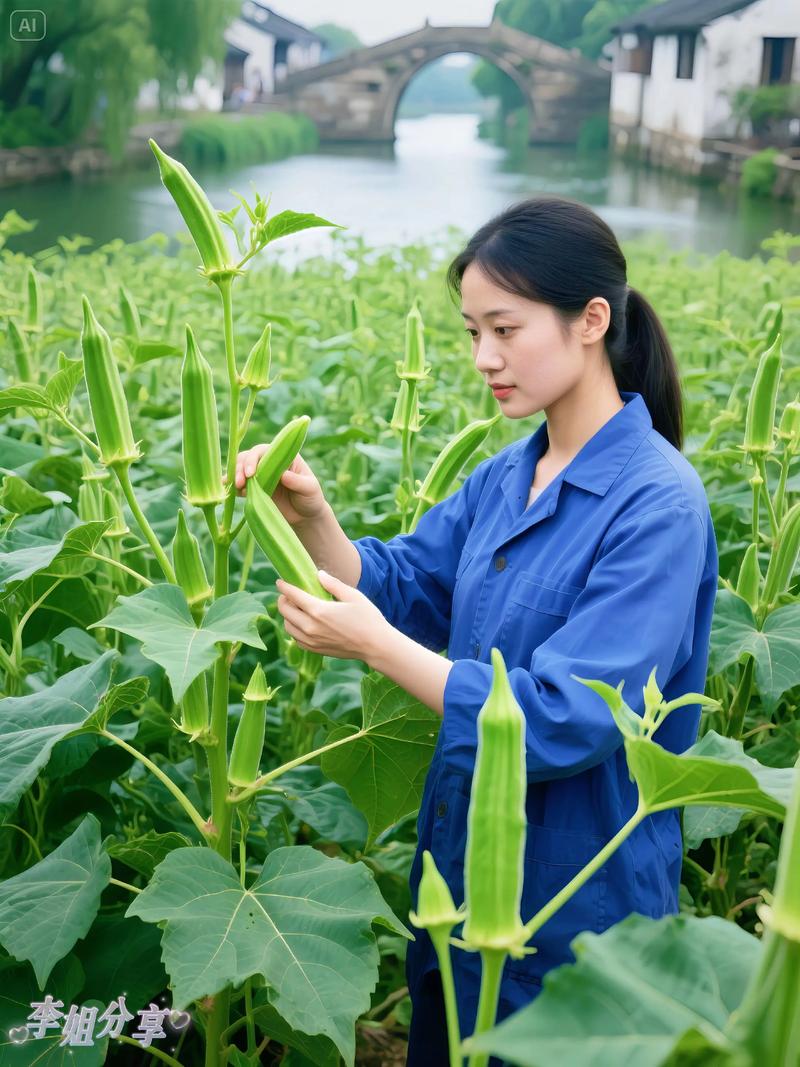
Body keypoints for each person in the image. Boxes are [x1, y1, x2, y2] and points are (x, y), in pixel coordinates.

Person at [232, 196, 719, 1065]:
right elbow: (406, 586)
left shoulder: (659, 503)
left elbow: (568, 717)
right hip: (452, 882)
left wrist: (376, 646)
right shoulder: (509, 474)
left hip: (573, 915)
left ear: (590, 321)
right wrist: (311, 517)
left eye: (505, 328)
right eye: (470, 332)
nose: (484, 358)